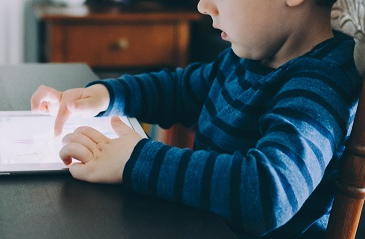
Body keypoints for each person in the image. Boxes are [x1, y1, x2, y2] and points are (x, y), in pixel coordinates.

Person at [31, 0, 362, 238]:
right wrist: (106, 96)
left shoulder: (322, 83)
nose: (204, 6)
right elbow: (178, 90)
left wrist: (136, 158)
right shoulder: (247, 57)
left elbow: (267, 192)